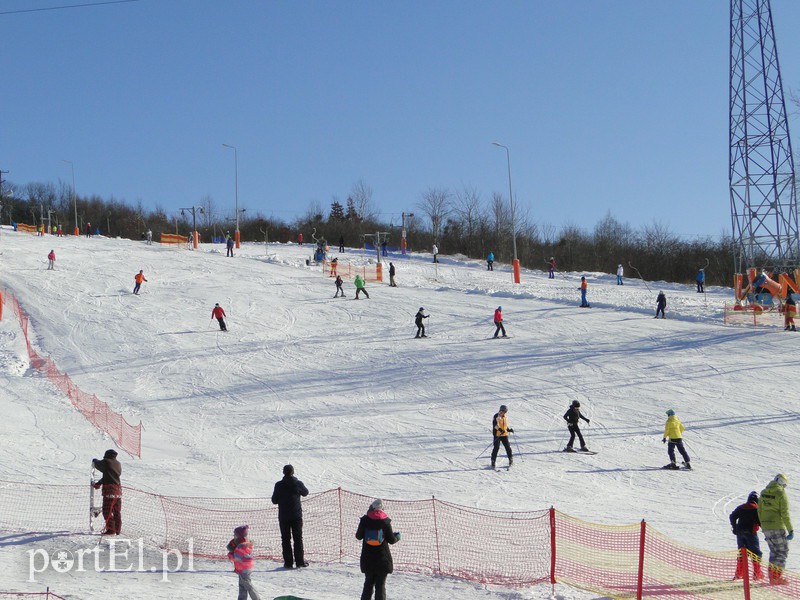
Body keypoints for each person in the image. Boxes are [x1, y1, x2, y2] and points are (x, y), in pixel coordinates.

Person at [356, 498, 400, 600]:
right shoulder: (385, 522)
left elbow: (358, 536)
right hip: (382, 558)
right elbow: (391, 540)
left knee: (368, 584)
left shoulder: (365, 520)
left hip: (368, 559)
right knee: (380, 586)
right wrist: (397, 536)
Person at [271, 464, 309, 569]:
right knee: (298, 539)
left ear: (283, 472)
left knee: (285, 539)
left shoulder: (278, 485)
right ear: (293, 472)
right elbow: (306, 493)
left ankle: (288, 563)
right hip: (296, 516)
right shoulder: (298, 483)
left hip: (283, 517)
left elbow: (274, 500)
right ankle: (300, 562)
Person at [758, 474, 793, 585]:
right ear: (782, 483)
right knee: (782, 551)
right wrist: (790, 530)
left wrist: (764, 527)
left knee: (774, 552)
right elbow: (785, 513)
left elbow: (759, 511)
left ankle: (772, 577)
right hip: (777, 526)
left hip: (766, 527)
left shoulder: (763, 492)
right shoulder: (781, 493)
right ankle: (776, 578)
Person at [730, 491, 764, 580]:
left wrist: (734, 527)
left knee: (742, 553)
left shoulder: (742, 507)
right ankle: (757, 574)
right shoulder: (756, 509)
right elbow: (760, 521)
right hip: (751, 534)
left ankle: (739, 573)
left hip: (740, 533)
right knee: (755, 553)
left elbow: (732, 516)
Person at [226, 525, 261, 600]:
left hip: (243, 569)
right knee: (242, 587)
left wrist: (230, 554)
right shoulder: (245, 543)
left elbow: (237, 558)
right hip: (243, 568)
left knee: (249, 586)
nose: (234, 536)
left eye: (235, 535)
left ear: (239, 536)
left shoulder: (241, 546)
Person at [92, 449, 122, 535]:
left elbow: (98, 464)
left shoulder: (107, 462)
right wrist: (99, 483)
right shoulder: (118, 464)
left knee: (106, 511)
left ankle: (111, 530)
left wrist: (94, 460)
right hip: (118, 491)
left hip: (110, 491)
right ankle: (117, 529)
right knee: (116, 511)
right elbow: (109, 476)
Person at [490, 404, 513, 469]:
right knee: (496, 447)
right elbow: (495, 425)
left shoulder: (504, 417)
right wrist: (500, 430)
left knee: (508, 447)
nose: (503, 412)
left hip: (504, 435)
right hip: (497, 434)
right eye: (503, 411)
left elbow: (504, 425)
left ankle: (510, 459)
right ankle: (493, 460)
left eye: (505, 411)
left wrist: (508, 429)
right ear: (500, 410)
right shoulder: (496, 416)